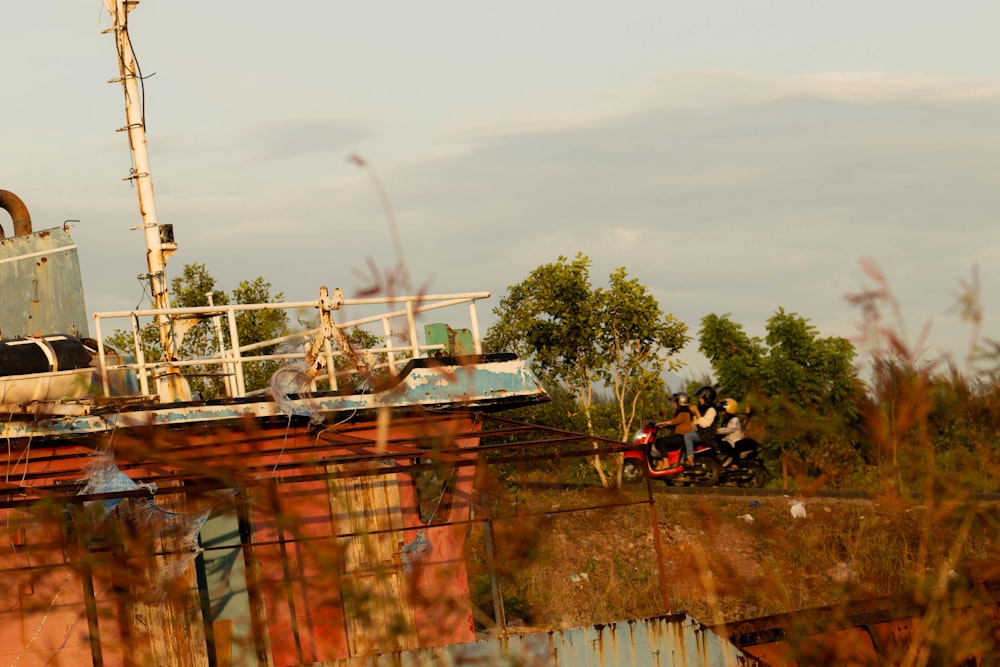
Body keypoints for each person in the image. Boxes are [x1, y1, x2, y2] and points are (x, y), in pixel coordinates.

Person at [651, 392, 692, 470]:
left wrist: (661, 423)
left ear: (680, 402)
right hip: (680, 436)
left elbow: (674, 421)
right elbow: (673, 425)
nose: (673, 403)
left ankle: (666, 463)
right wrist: (661, 426)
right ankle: (665, 463)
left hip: (682, 437)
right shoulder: (682, 413)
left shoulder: (684, 413)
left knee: (660, 441)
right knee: (662, 442)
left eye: (675, 401)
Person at [682, 386, 718, 466]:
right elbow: (696, 423)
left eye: (701, 398)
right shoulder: (702, 408)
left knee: (688, 436)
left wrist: (696, 411)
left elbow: (704, 424)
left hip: (707, 435)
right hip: (701, 433)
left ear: (707, 398)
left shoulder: (712, 410)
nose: (699, 399)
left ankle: (690, 459)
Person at [715, 398, 744, 468]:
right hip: (727, 440)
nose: (722, 413)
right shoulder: (726, 420)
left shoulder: (734, 419)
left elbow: (729, 430)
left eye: (723, 411)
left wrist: (717, 430)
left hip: (732, 442)